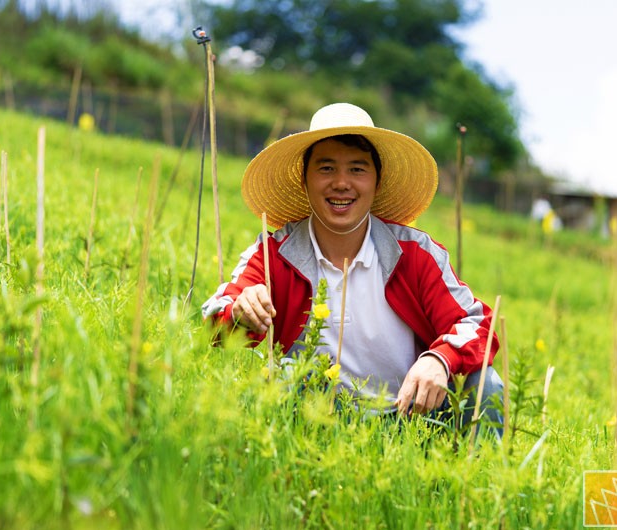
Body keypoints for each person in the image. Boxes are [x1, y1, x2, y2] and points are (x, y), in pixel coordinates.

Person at [202, 102, 503, 430]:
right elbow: (216, 320)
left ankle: (467, 479)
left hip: (411, 416)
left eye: (357, 169)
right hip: (314, 418)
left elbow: (477, 325)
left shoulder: (416, 253)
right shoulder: (274, 252)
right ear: (304, 180)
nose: (342, 183)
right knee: (286, 375)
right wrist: (240, 312)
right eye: (326, 168)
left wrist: (439, 359)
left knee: (485, 382)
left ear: (377, 181)